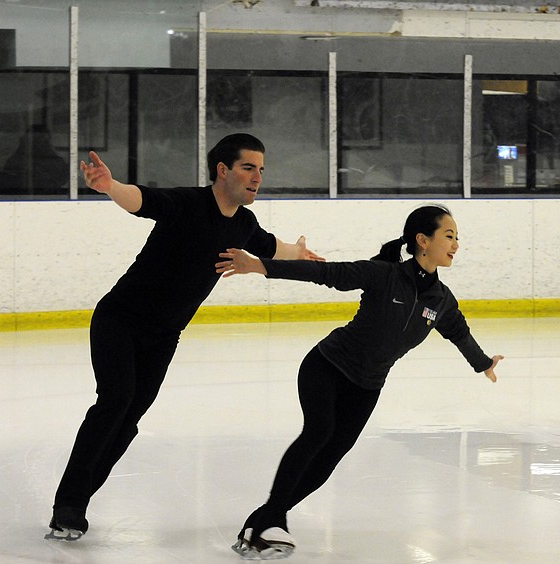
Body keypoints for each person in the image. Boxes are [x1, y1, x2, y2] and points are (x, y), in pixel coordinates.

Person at [46, 133, 323, 542]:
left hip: (164, 336)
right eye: (248, 167)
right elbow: (144, 201)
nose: (257, 177)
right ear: (223, 170)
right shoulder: (189, 204)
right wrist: (110, 187)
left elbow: (269, 246)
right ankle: (67, 506)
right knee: (115, 401)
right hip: (120, 321)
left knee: (129, 419)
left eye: (261, 170)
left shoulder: (244, 224)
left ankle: (77, 499)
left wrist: (298, 252)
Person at [215, 204, 503, 560]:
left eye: (457, 237)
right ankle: (273, 519)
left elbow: (458, 332)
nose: (456, 244)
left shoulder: (440, 300)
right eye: (449, 235)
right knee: (318, 432)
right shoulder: (384, 275)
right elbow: (326, 274)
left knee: (330, 456)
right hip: (328, 366)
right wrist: (260, 265)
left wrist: (482, 363)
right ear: (422, 241)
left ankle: (262, 520)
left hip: (367, 386)